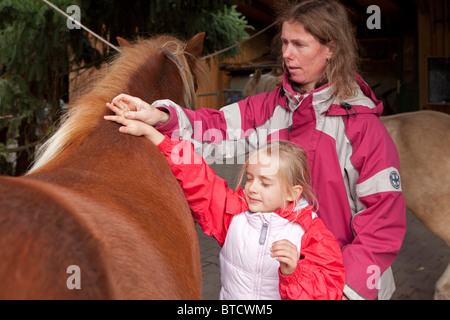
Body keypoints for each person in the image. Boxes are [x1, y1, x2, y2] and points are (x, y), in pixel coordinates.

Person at [105, 0, 406, 300]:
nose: (287, 54)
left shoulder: (364, 129)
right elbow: (216, 128)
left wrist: (346, 290)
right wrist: (162, 117)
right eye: (285, 42)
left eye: (300, 44)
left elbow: (383, 222)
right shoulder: (269, 107)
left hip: (334, 287)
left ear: (331, 49)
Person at [104, 105, 345, 299]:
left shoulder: (313, 236)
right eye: (250, 178)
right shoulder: (235, 214)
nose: (252, 188)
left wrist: (293, 273)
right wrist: (154, 134)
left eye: (265, 183)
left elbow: (328, 293)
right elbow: (198, 176)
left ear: (293, 193)